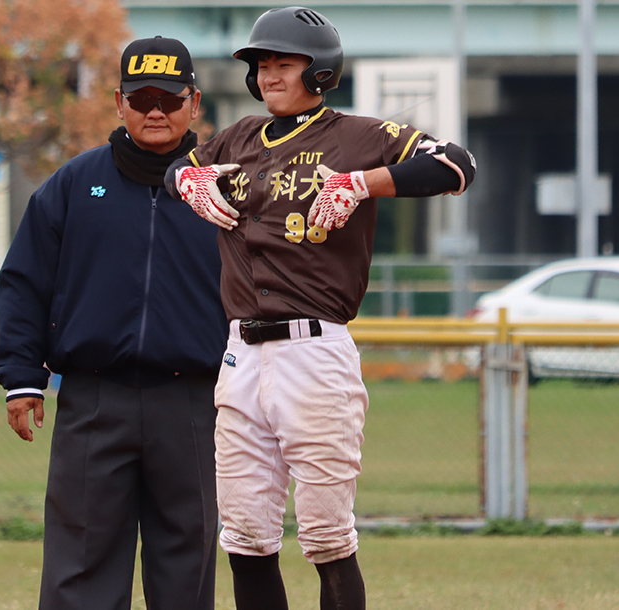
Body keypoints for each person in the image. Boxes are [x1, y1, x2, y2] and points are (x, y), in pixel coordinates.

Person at [165, 7, 476, 610]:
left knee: (326, 534)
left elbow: (456, 166)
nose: (270, 75)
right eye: (262, 64)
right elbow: (184, 164)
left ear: (322, 70)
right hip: (239, 354)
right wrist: (187, 181)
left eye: (285, 63)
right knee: (246, 534)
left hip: (315, 350)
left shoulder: (356, 135)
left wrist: (362, 183)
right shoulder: (239, 136)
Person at [0, 36, 227, 610]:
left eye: (169, 100)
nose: (155, 111)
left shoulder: (225, 187)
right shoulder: (75, 184)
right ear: (118, 103)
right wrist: (22, 377)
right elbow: (25, 279)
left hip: (196, 402)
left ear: (194, 104)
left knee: (186, 561)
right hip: (95, 399)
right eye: (140, 97)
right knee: (80, 560)